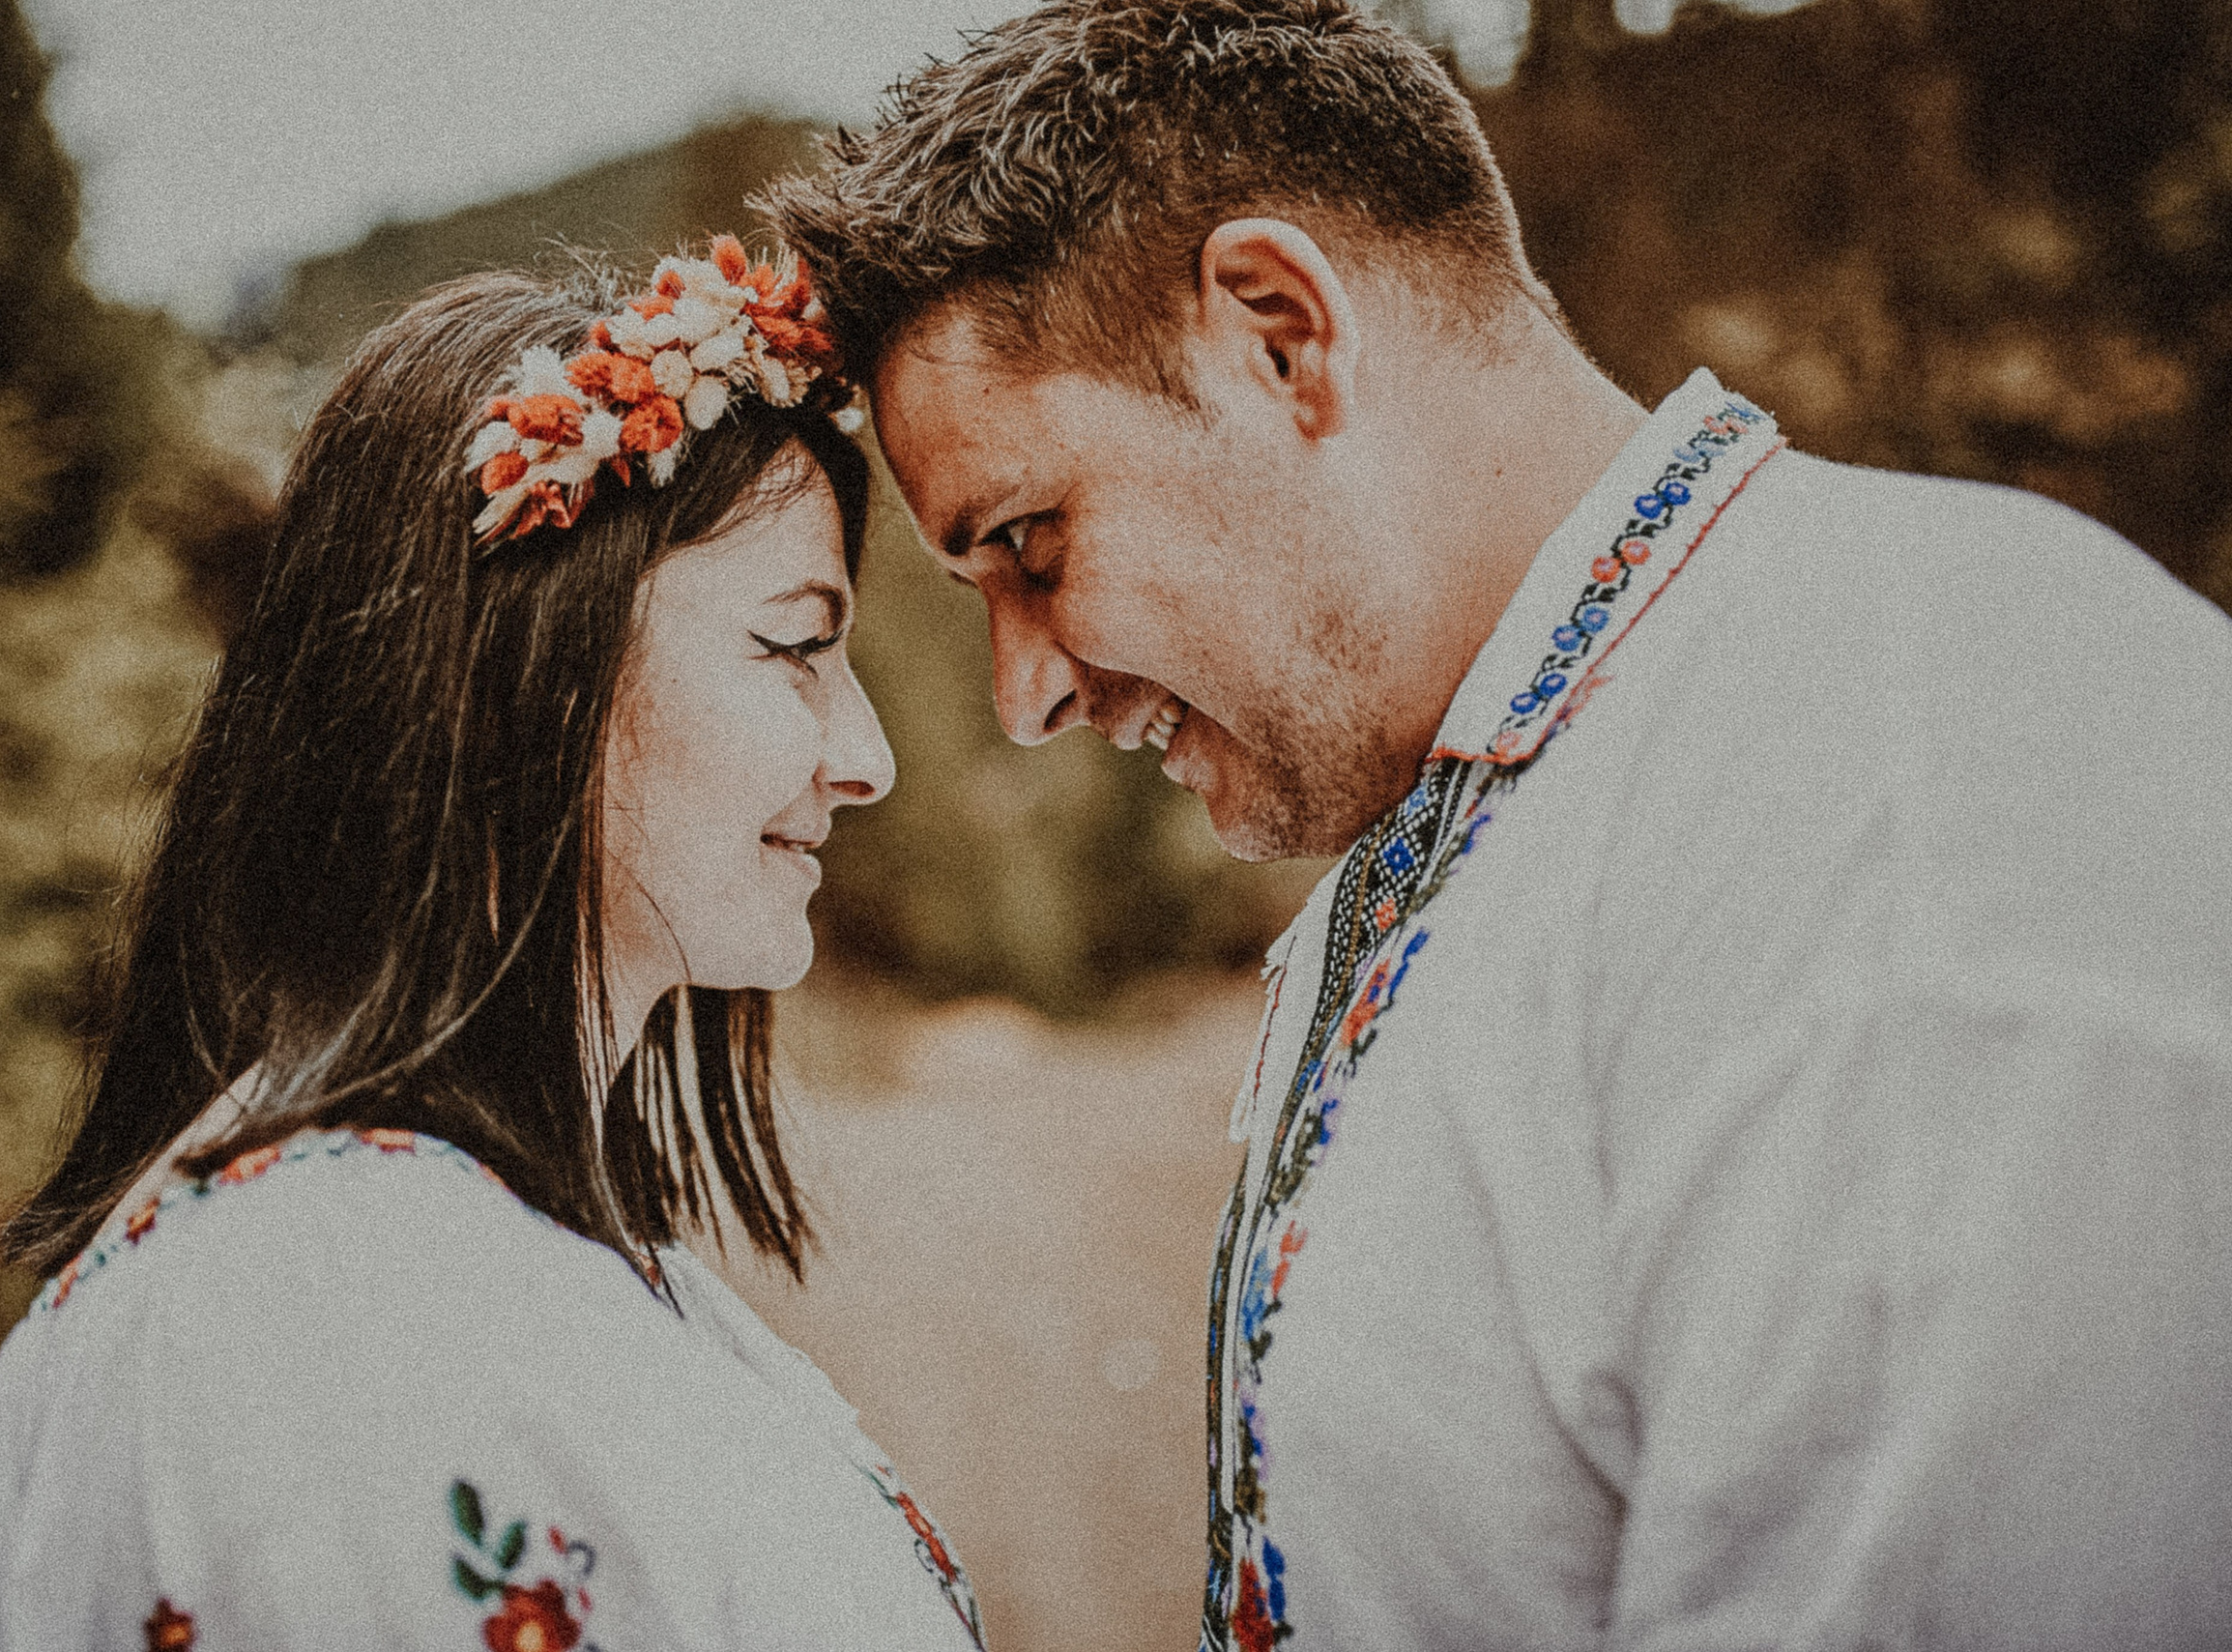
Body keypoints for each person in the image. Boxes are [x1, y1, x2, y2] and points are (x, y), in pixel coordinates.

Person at [760, 2, 2232, 1647]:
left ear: (1278, 333)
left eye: (1030, 542)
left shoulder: (1909, 774)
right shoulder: (1546, 774)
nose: (1023, 694)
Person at [0, 248, 988, 1652]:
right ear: (522, 679)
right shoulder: (319, 1328)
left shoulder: (476, 1253)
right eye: (793, 645)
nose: (866, 759)